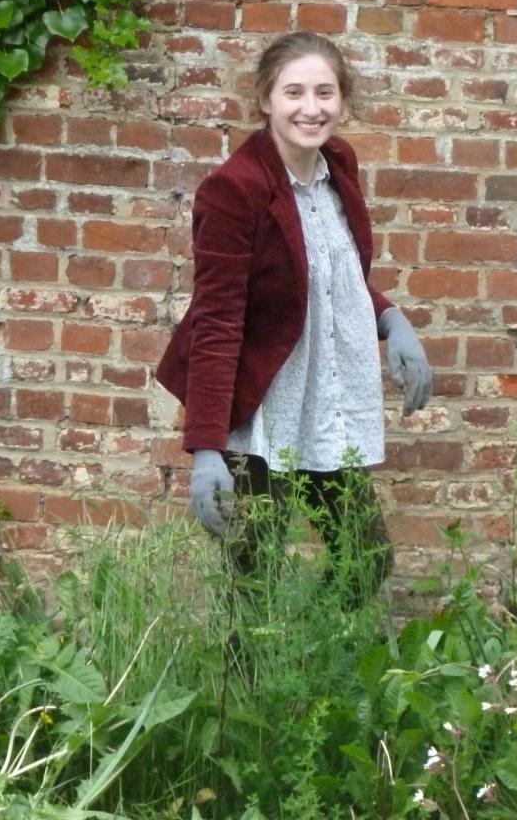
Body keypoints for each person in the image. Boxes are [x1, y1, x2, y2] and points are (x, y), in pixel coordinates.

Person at [155, 31, 432, 609]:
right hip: (262, 417)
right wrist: (206, 448)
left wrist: (392, 320)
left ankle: (307, 661)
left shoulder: (339, 166)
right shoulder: (233, 190)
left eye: (325, 92)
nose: (312, 108)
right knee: (254, 586)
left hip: (324, 409)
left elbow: (331, 277)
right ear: (265, 99)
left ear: (343, 99)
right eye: (295, 92)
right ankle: (254, 691)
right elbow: (217, 321)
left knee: (367, 558)